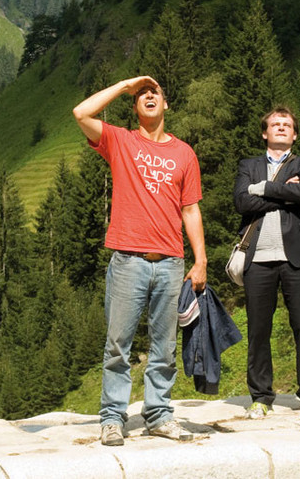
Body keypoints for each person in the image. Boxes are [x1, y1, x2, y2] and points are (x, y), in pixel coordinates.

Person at [72, 76, 207, 447]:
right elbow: (80, 113)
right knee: (118, 345)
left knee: (164, 347)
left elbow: (190, 208)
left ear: (166, 106)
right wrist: (123, 85)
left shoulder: (184, 153)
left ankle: (159, 415)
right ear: (135, 106)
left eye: (156, 92)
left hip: (170, 262)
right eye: (143, 94)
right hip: (128, 260)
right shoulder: (120, 140)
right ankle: (112, 418)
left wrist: (201, 260)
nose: (149, 96)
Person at [233, 106, 300, 419]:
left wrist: (263, 188)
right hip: (257, 258)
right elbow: (241, 201)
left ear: (295, 134)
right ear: (265, 132)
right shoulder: (249, 165)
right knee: (259, 328)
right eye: (276, 124)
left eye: (287, 125)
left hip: (297, 257)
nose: (282, 128)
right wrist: (286, 190)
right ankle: (261, 397)